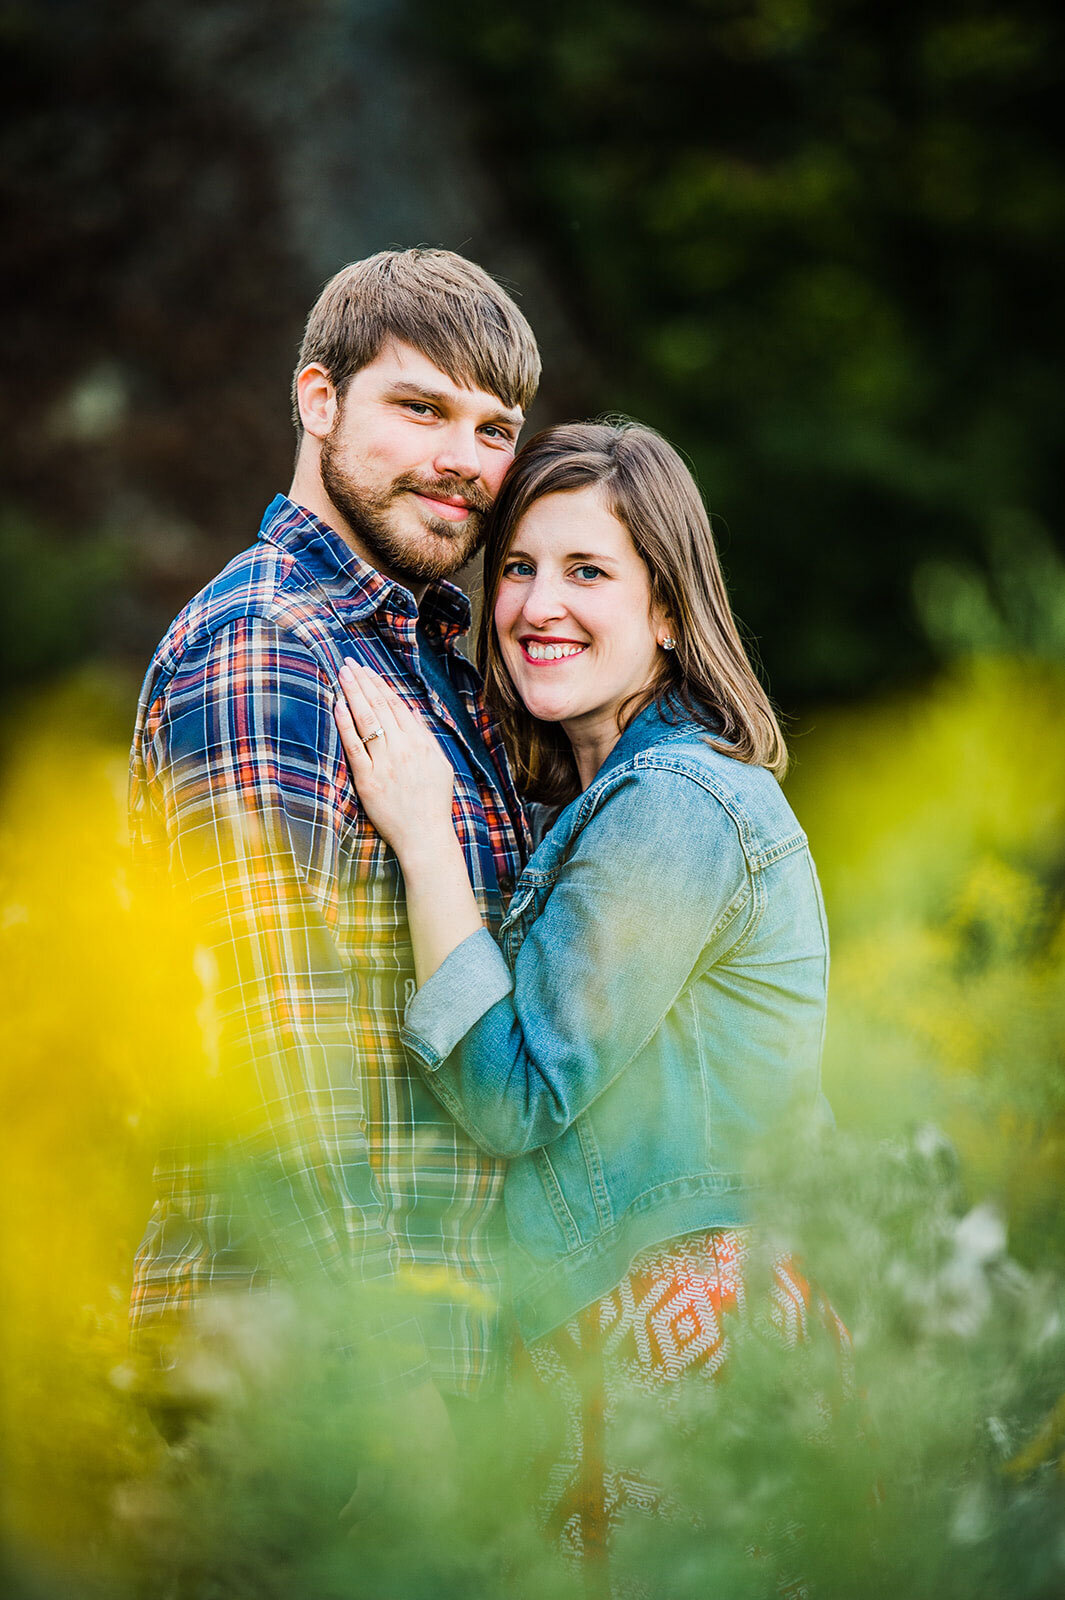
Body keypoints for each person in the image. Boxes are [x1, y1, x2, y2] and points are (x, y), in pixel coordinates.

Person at [333, 418, 850, 1570]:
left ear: (667, 610)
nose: (535, 604)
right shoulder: (606, 796)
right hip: (625, 1337)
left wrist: (424, 842)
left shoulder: (674, 802)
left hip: (674, 1352)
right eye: (516, 566)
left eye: (587, 571)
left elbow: (520, 1093)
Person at [128, 248, 540, 1448]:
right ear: (319, 401)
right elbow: (277, 1035)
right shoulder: (269, 646)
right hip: (298, 1375)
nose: (463, 459)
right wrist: (384, 1370)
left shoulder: (432, 668)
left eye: (494, 428)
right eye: (421, 408)